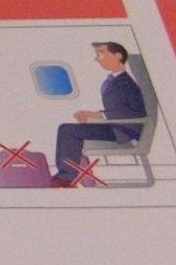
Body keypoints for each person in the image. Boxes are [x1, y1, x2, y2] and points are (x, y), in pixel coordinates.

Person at [52, 41, 146, 186]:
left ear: (118, 56)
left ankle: (66, 178)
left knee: (68, 131)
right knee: (66, 128)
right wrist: (93, 115)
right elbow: (117, 110)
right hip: (115, 126)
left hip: (125, 130)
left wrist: (97, 116)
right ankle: (70, 174)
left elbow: (134, 113)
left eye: (101, 54)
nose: (97, 58)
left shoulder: (127, 83)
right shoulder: (113, 80)